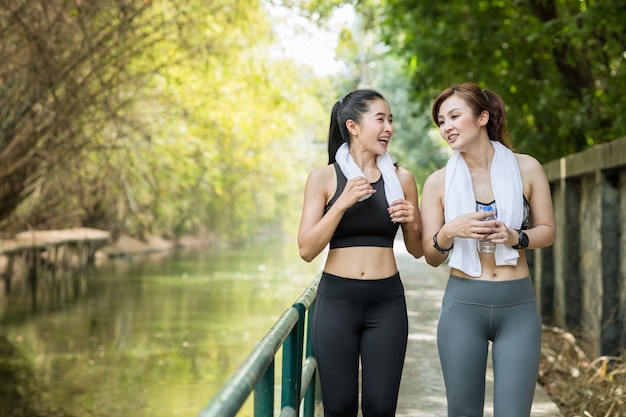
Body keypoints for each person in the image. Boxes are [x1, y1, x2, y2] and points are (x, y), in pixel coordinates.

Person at [420, 82, 556, 417]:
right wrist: (449, 231)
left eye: (454, 116)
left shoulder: (527, 168)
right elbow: (431, 255)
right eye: (441, 122)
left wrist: (516, 237)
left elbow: (548, 232)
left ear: (482, 117)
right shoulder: (438, 182)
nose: (446, 127)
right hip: (463, 306)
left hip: (518, 307)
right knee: (463, 412)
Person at [297, 89, 423, 417]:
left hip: (387, 302)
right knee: (339, 407)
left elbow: (417, 249)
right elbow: (307, 249)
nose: (389, 128)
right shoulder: (324, 178)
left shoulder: (403, 179)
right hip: (337, 301)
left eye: (391, 120)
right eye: (380, 119)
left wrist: (411, 222)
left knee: (380, 408)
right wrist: (341, 202)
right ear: (353, 126)